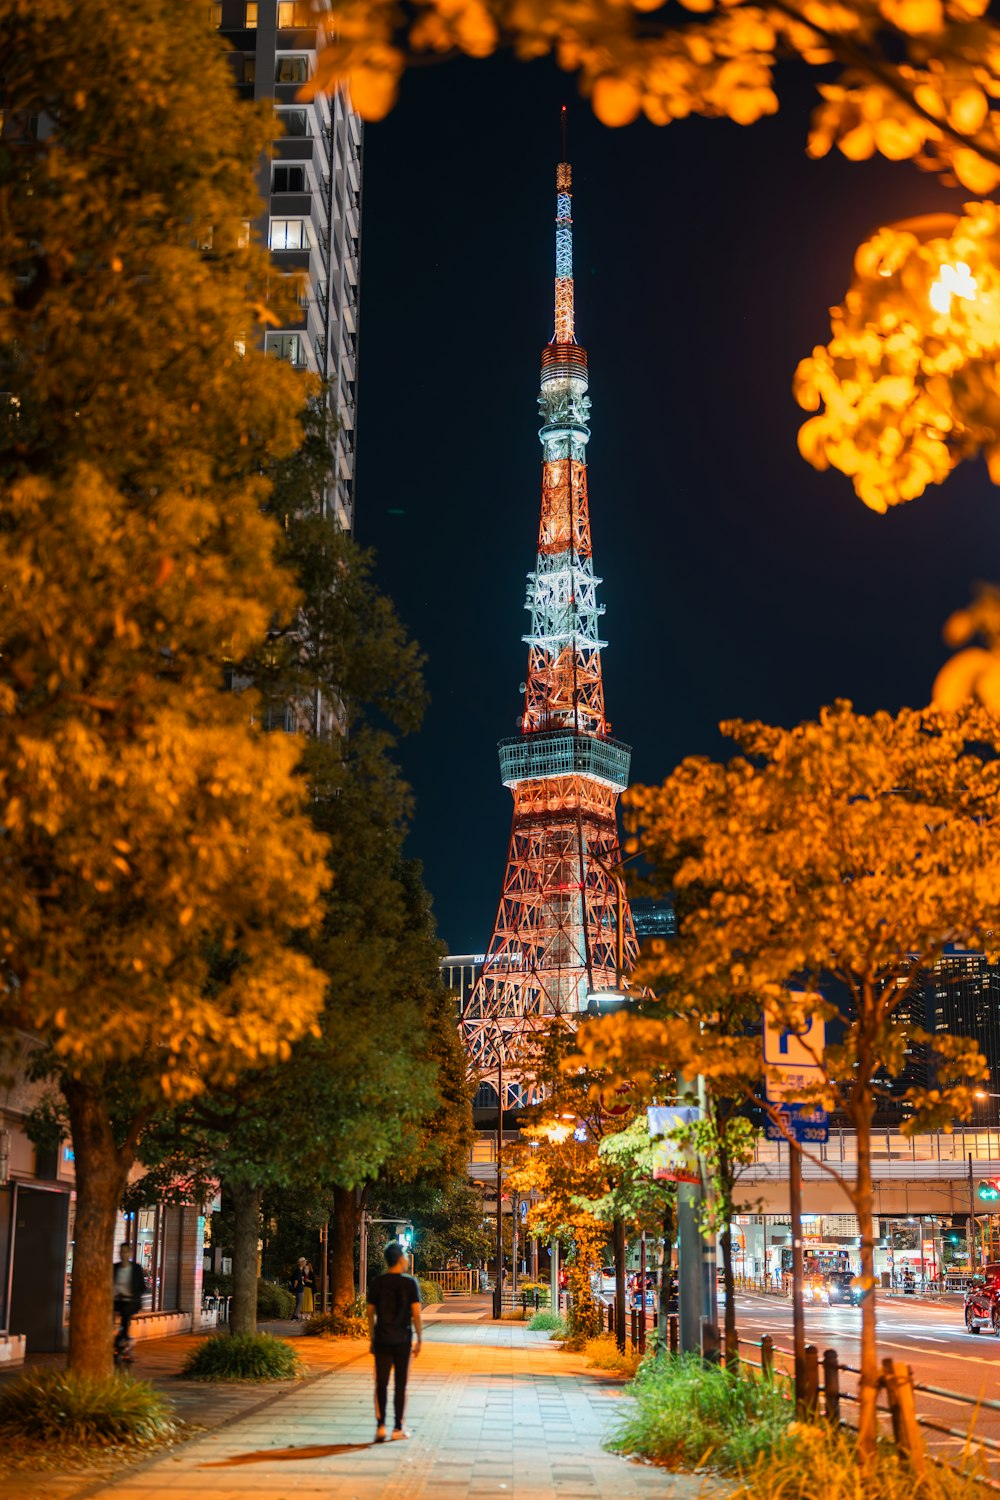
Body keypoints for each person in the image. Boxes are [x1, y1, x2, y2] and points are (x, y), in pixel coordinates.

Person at [366, 1241, 422, 1443]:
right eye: (405, 1255)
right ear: (399, 1259)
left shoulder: (377, 1282)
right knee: (401, 1385)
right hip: (403, 1340)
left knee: (380, 1383)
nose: (407, 1259)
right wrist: (420, 1339)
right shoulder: (410, 1283)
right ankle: (398, 1427)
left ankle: (381, 1427)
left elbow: (370, 1313)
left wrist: (372, 1337)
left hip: (381, 1339)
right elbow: (416, 1314)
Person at [112, 1241, 147, 1360]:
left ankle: (124, 1339)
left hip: (131, 1301)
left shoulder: (136, 1268)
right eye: (122, 1251)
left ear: (130, 1253)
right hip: (116, 1299)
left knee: (125, 1315)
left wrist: (133, 1295)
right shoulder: (115, 1267)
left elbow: (142, 1287)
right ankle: (120, 1339)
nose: (123, 1254)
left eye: (126, 1251)